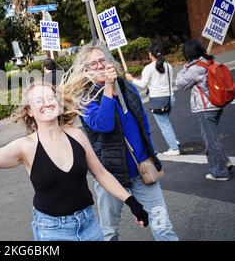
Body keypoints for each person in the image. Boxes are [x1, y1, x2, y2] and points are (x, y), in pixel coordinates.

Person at [0, 82, 150, 241]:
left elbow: (100, 173)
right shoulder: (26, 146)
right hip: (52, 231)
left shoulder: (77, 136)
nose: (47, 103)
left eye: (50, 98)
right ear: (30, 111)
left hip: (89, 223)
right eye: (38, 101)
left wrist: (131, 201)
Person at [70, 44, 178, 241]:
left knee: (163, 225)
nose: (99, 66)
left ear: (111, 62)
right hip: (110, 175)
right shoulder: (85, 98)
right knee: (109, 231)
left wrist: (149, 153)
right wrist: (109, 87)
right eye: (93, 64)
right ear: (85, 70)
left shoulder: (127, 87)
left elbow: (143, 123)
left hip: (142, 169)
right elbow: (103, 124)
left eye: (103, 60)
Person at [176, 39, 232, 181]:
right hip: (217, 105)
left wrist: (184, 68)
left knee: (210, 141)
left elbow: (180, 84)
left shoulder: (194, 69)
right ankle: (224, 161)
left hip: (206, 108)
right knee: (213, 137)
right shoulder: (209, 62)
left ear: (188, 53)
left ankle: (220, 172)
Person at [125, 41, 180, 156]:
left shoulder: (149, 68)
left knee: (164, 124)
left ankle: (174, 148)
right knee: (166, 122)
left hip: (158, 101)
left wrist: (131, 79)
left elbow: (143, 84)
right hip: (170, 98)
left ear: (150, 54)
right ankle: (173, 140)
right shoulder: (168, 66)